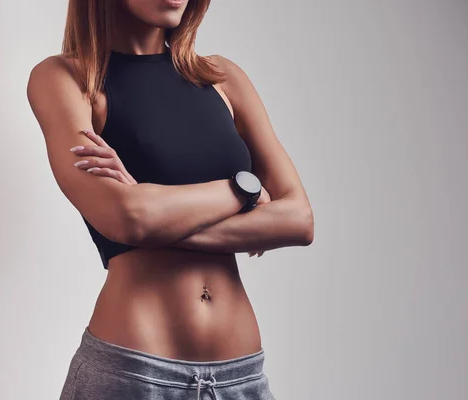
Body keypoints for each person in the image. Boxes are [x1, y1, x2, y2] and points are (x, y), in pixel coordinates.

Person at [26, 0, 314, 399]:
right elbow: (128, 218)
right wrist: (243, 191)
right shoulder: (66, 79)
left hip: (241, 377)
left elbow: (298, 220)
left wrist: (154, 216)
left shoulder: (222, 78)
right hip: (133, 373)